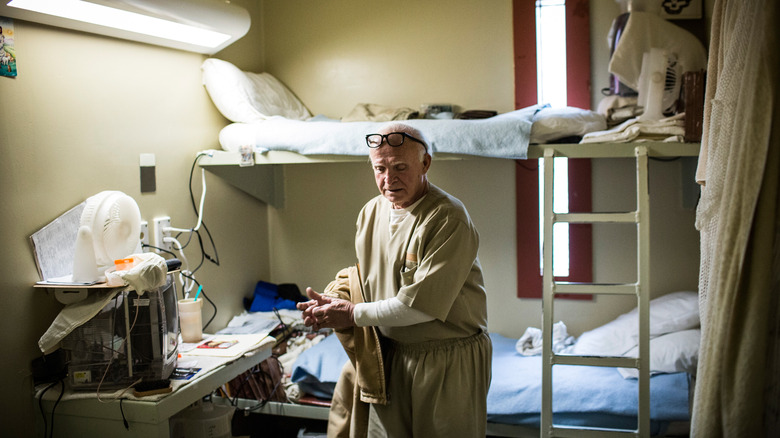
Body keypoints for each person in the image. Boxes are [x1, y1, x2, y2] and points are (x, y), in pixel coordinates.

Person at [297, 122, 492, 437]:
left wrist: (352, 314)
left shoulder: (447, 218)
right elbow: (369, 278)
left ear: (425, 163)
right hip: (390, 353)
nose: (389, 179)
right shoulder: (371, 212)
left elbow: (419, 307)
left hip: (445, 359)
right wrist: (336, 301)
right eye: (380, 169)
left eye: (401, 167)